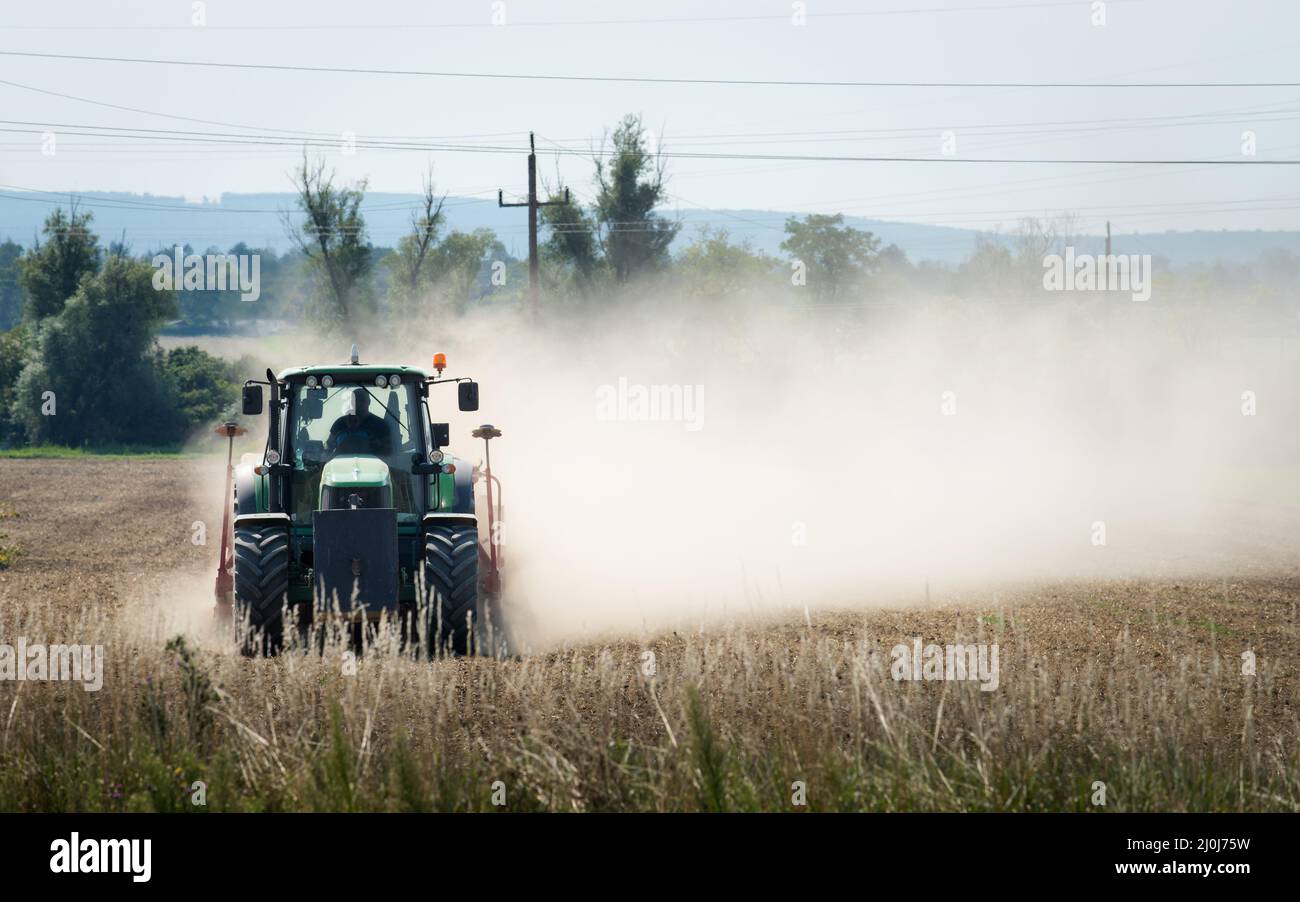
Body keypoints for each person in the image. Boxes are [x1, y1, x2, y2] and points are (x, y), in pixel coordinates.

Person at [325, 387, 393, 457]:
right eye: (355, 400)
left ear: (369, 402)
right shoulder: (340, 424)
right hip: (342, 465)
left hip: (373, 465)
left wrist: (375, 443)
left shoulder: (380, 425)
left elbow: (389, 452)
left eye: (362, 400)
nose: (358, 403)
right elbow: (328, 447)